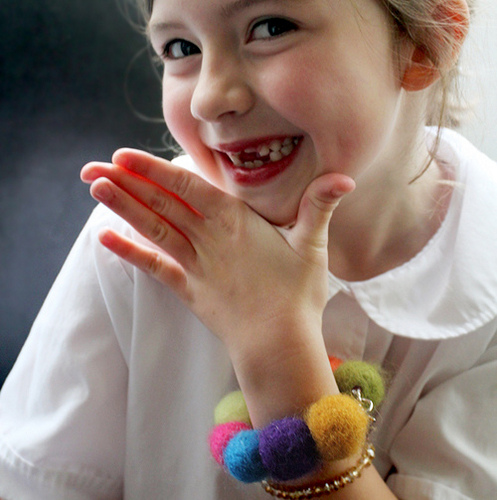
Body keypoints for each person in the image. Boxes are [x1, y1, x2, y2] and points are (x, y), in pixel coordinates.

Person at [1, 0, 496, 498]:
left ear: (424, 45)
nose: (209, 99)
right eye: (181, 48)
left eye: (270, 28)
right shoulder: (136, 238)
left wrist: (276, 339)